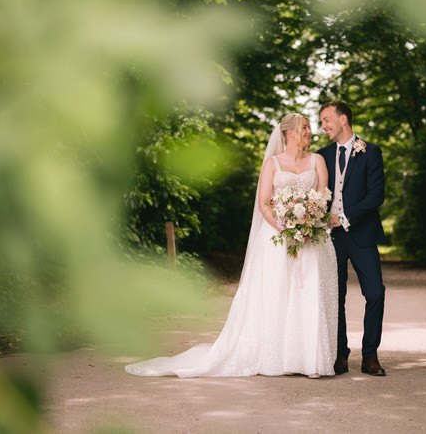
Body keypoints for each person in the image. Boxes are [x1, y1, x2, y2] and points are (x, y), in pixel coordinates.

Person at [125, 114, 338, 378]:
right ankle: (279, 357)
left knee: (307, 295)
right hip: (277, 239)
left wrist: (307, 224)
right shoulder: (272, 164)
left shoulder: (318, 160)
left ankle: (309, 361)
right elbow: (264, 204)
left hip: (311, 239)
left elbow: (321, 199)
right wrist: (286, 228)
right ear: (290, 133)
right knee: (278, 295)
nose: (310, 131)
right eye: (305, 127)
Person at [318, 101, 387, 377]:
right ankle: (340, 355)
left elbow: (376, 196)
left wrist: (345, 217)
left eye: (326, 120)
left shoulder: (371, 152)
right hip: (330, 238)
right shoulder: (321, 155)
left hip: (362, 234)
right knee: (336, 297)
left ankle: (370, 355)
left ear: (343, 119)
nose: (323, 126)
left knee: (376, 293)